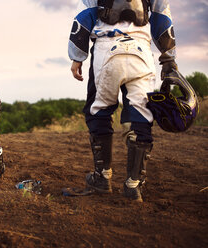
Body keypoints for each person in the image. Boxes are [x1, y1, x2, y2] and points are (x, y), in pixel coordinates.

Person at [68, 0, 177, 202]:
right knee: (141, 114)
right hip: (141, 53)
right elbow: (162, 16)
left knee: (99, 110)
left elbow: (83, 18)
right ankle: (133, 185)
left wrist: (77, 57)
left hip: (107, 49)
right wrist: (169, 58)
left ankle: (102, 178)